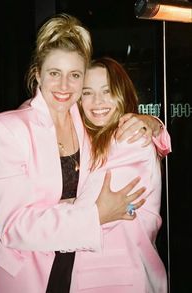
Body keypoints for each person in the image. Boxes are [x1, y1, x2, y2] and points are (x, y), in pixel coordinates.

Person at [0, 14, 170, 293]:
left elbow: (121, 150)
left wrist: (154, 125)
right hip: (26, 273)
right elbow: (14, 226)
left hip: (80, 267)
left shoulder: (86, 121)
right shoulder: (9, 129)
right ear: (37, 75)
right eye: (54, 73)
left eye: (75, 76)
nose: (64, 86)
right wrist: (96, 214)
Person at [66, 57, 170, 292]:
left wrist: (28, 214)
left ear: (122, 93)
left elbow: (91, 210)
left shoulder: (130, 139)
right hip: (107, 272)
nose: (97, 102)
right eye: (87, 92)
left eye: (107, 91)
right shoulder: (94, 141)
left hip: (121, 273)